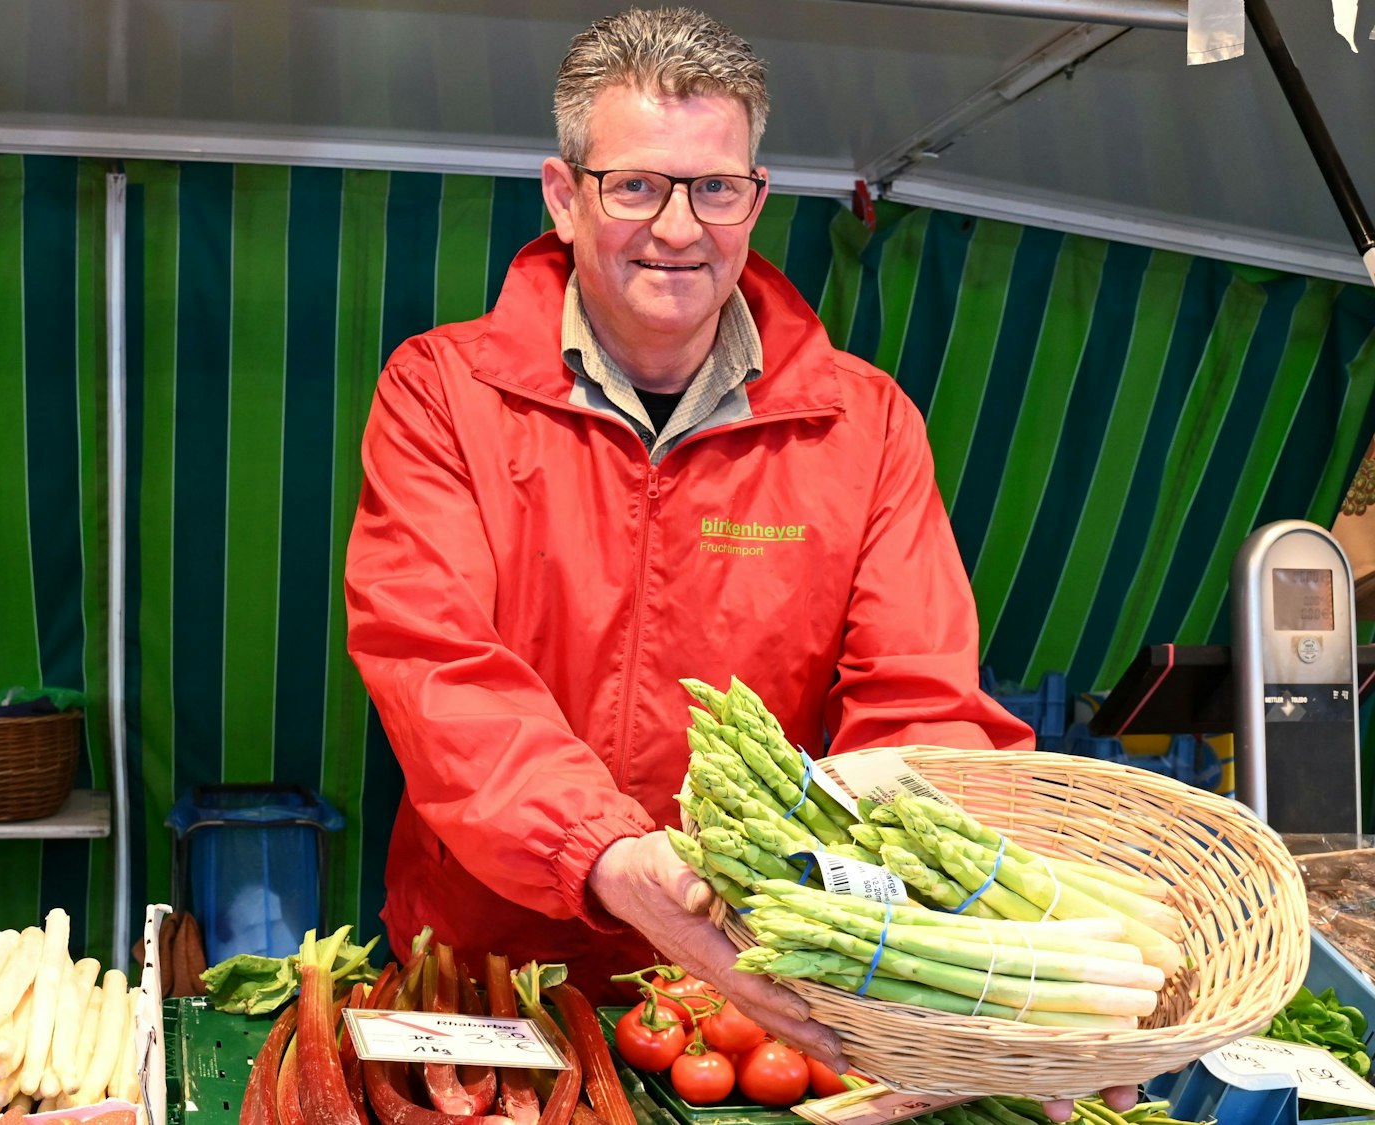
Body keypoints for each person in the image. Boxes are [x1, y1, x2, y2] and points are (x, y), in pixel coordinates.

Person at [344, 7, 1133, 1117]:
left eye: (713, 189)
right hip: (488, 968)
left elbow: (916, 704)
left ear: (754, 203)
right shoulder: (441, 394)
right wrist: (605, 853)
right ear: (563, 196)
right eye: (634, 186)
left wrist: (964, 951)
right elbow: (433, 667)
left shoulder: (862, 427)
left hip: (762, 980)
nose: (677, 226)